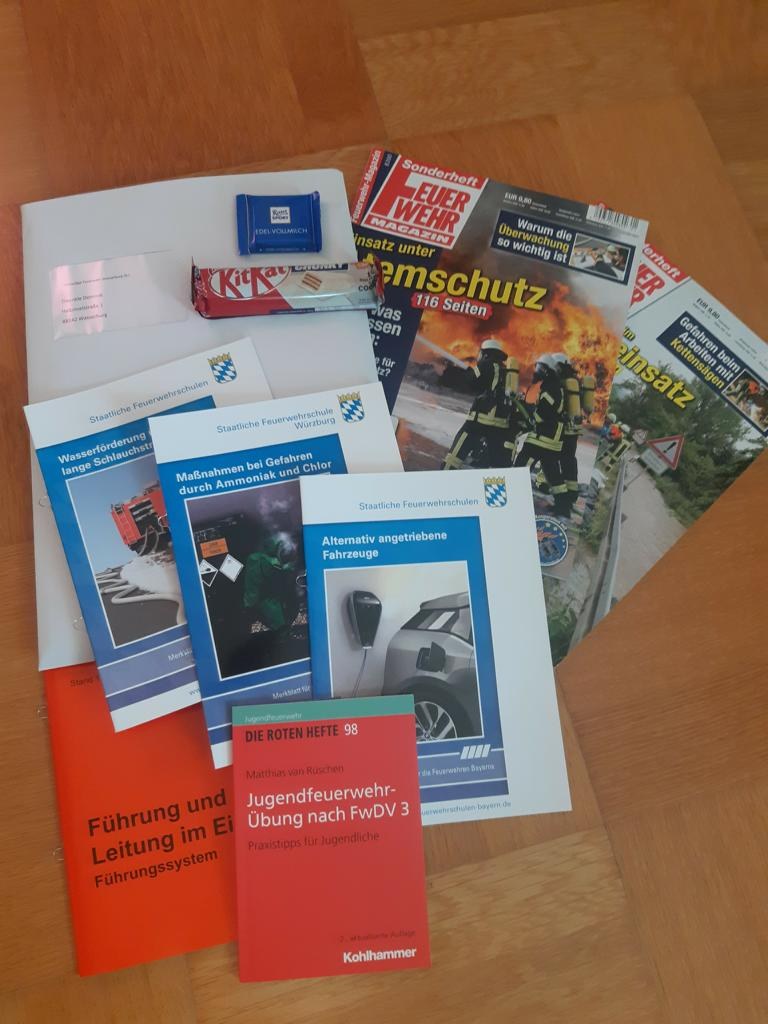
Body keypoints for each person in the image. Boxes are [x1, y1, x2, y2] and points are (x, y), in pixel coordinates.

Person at [512, 353, 571, 518]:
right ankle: (563, 508)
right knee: (553, 475)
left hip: (544, 438)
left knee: (522, 465)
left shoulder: (551, 388)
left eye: (539, 368)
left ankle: (513, 500)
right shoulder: (552, 385)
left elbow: (544, 413)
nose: (536, 370)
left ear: (546, 370)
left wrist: (530, 414)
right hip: (550, 439)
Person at [443, 338, 511, 469]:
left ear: (486, 353)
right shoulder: (505, 371)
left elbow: (471, 382)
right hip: (499, 426)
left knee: (454, 456)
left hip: (478, 421)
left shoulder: (486, 364)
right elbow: (487, 387)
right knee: (494, 465)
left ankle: (445, 474)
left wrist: (469, 372)